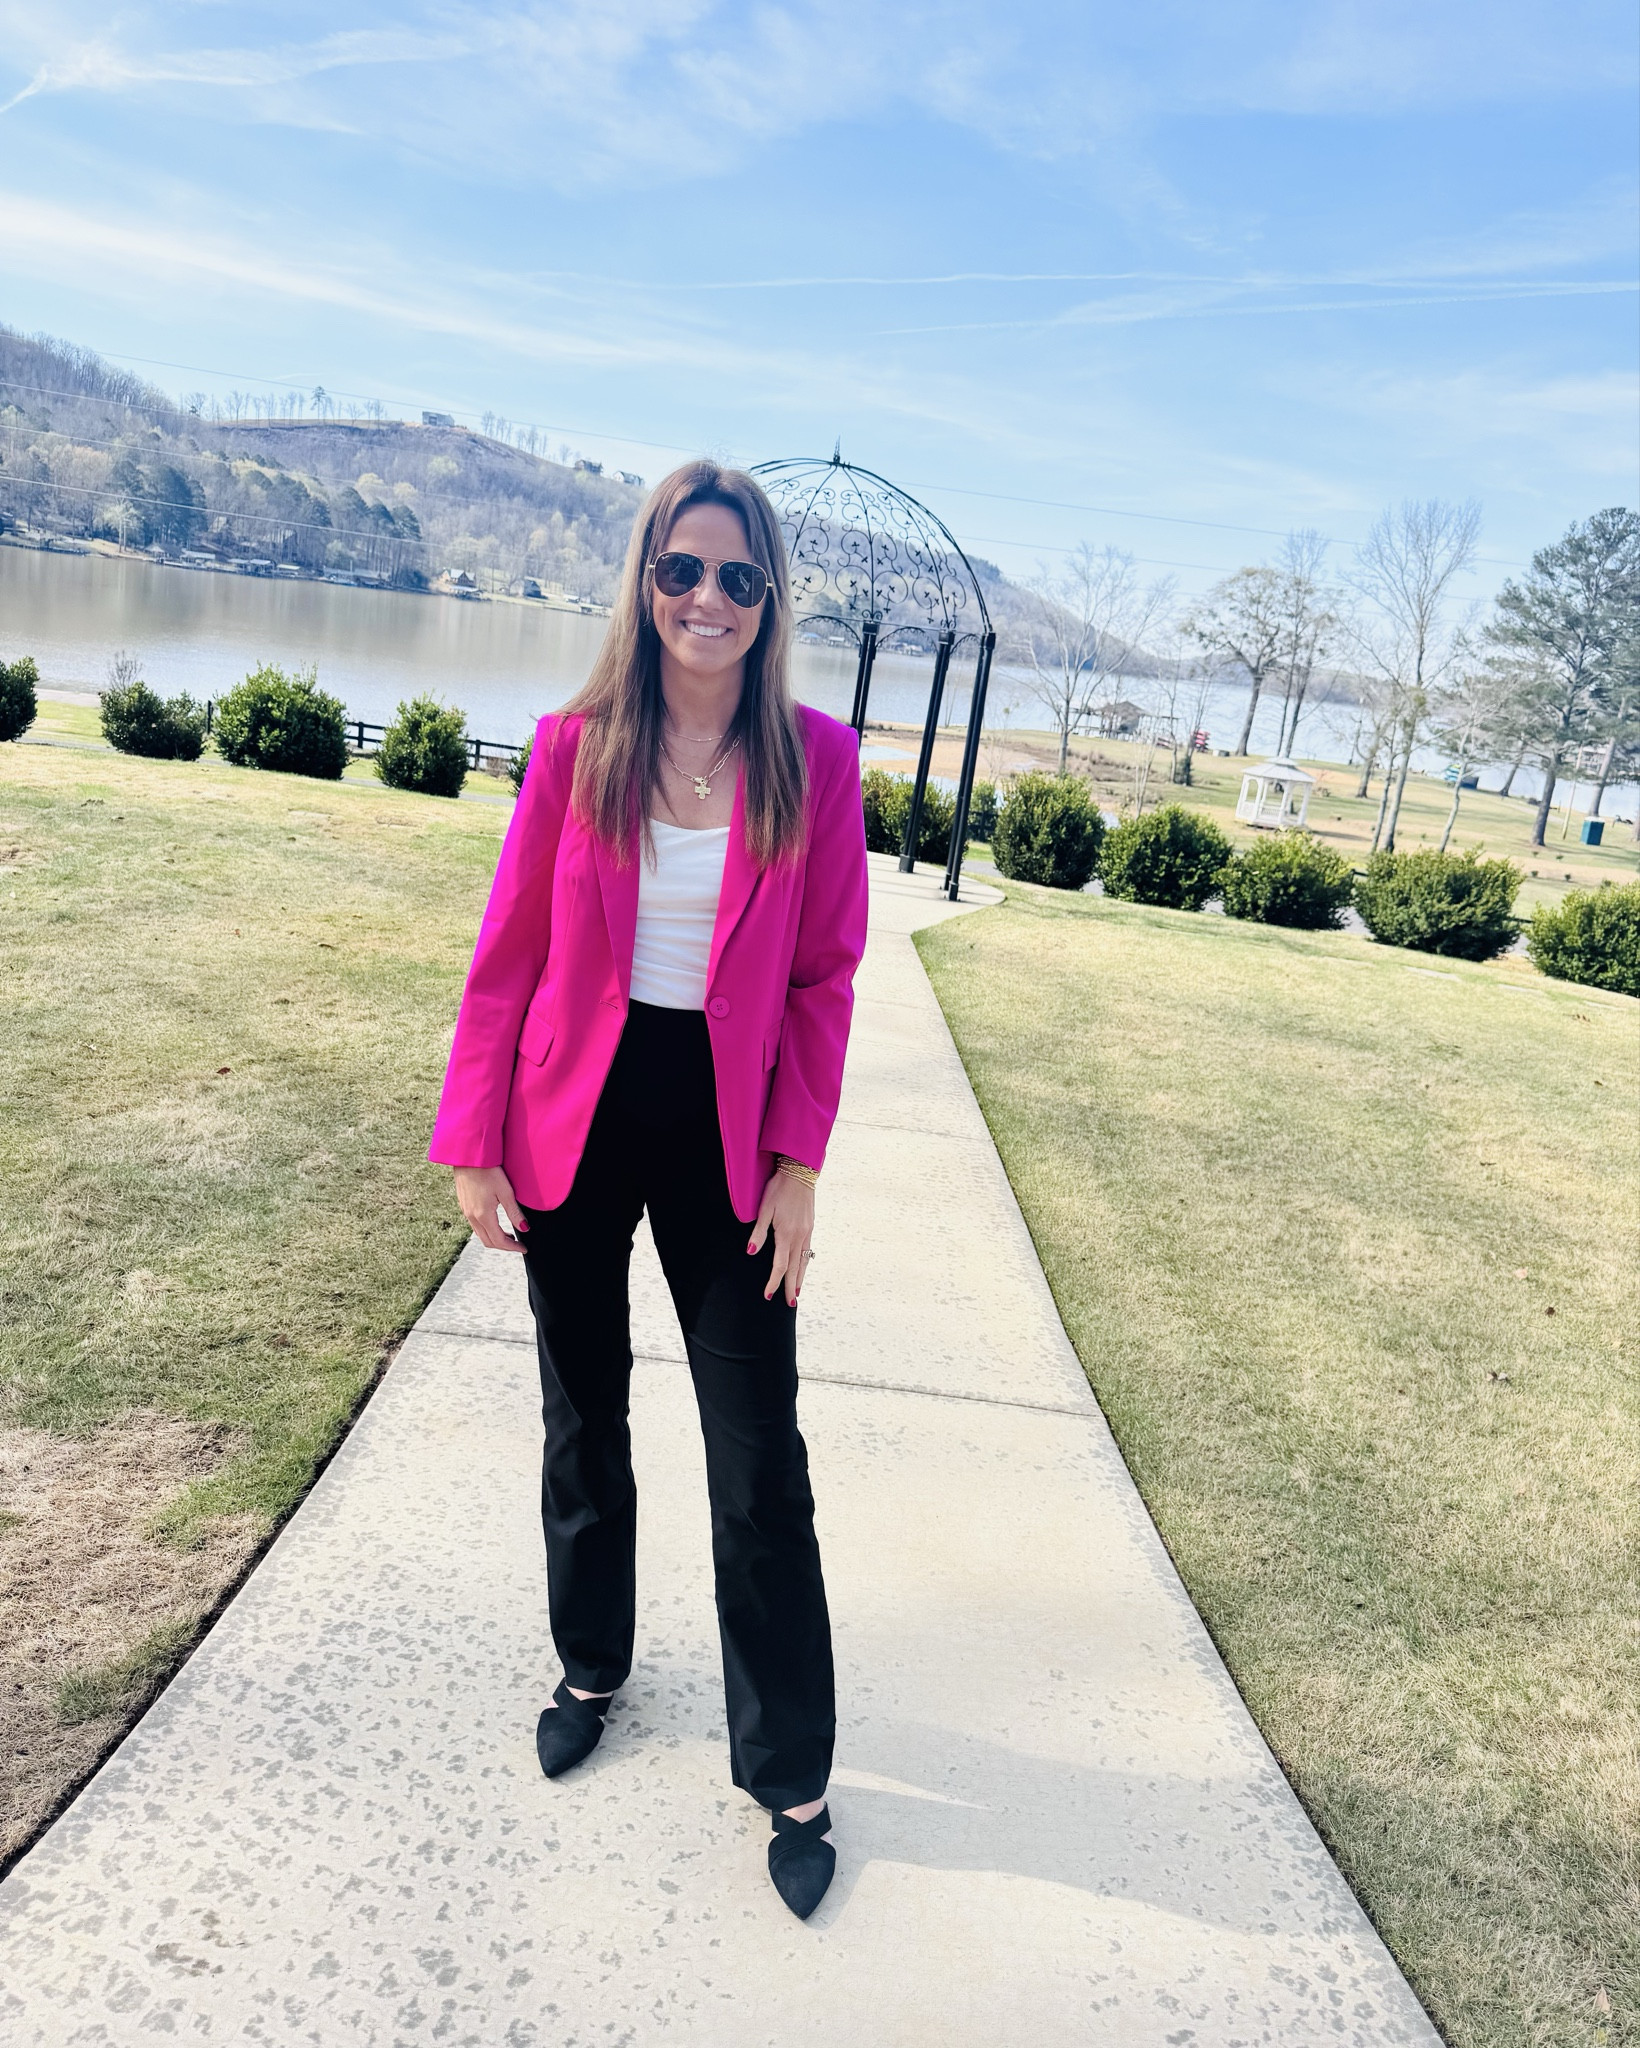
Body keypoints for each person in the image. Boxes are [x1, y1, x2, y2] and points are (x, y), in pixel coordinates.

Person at [428, 461, 869, 1920]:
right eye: (683, 569)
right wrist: (473, 1137)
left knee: (758, 1455)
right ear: (645, 578)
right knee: (583, 1410)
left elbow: (821, 979)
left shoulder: (815, 759)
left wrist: (800, 1166)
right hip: (577, 1109)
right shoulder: (577, 747)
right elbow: (508, 954)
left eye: (739, 579)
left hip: (727, 1133)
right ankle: (592, 1661)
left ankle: (791, 1773)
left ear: (769, 602)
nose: (707, 600)